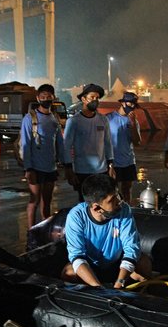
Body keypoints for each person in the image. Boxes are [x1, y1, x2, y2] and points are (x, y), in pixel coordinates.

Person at [61, 174, 151, 288]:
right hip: (91, 268)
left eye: (118, 194)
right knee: (69, 273)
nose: (119, 201)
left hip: (117, 266)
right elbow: (77, 257)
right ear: (97, 208)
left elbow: (131, 249)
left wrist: (120, 283)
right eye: (112, 200)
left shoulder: (124, 210)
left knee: (144, 262)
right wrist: (100, 289)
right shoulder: (76, 217)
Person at [21, 84, 64, 228]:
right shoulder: (30, 118)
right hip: (35, 167)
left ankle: (45, 231)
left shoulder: (55, 118)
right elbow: (26, 144)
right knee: (34, 201)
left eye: (49, 96)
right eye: (43, 97)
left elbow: (59, 143)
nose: (46, 99)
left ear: (53, 98)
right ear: (38, 98)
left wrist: (66, 164)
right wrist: (28, 168)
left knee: (47, 201)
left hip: (50, 167)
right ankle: (31, 232)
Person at [63, 83, 115, 202]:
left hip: (102, 170)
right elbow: (66, 146)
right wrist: (68, 169)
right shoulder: (74, 121)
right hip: (82, 171)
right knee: (85, 204)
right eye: (92, 97)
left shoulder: (103, 120)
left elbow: (108, 143)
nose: (95, 100)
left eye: (97, 98)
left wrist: (111, 165)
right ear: (83, 99)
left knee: (102, 202)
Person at [106, 92, 141, 203]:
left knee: (127, 189)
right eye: (130, 104)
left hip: (129, 160)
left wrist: (133, 125)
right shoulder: (109, 118)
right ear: (122, 103)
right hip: (114, 161)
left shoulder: (133, 120)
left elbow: (137, 142)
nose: (132, 107)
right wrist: (109, 163)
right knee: (112, 190)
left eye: (134, 105)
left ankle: (127, 210)